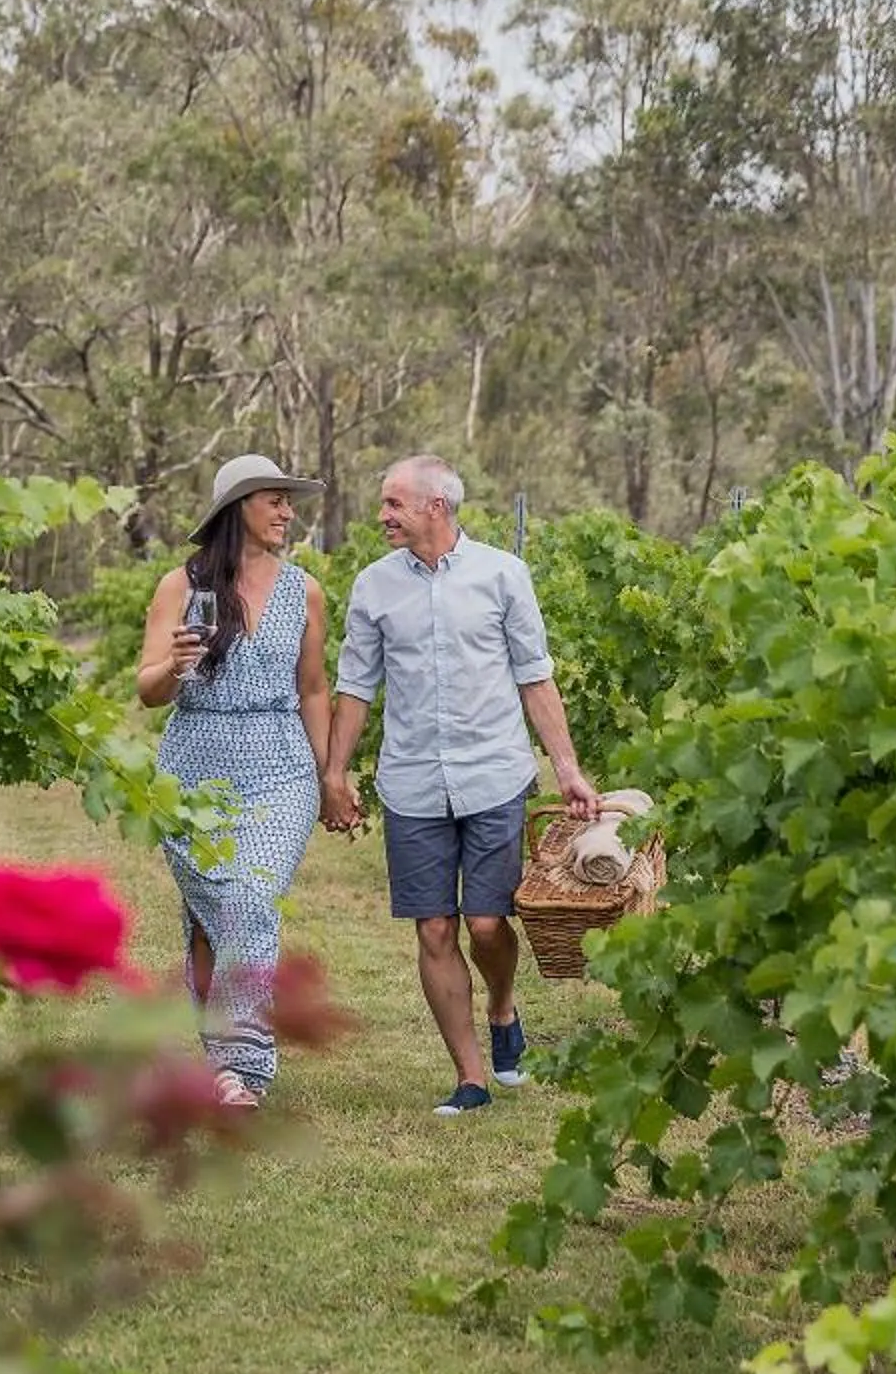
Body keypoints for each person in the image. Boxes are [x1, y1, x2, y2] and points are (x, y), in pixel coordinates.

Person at [322, 455, 598, 1116]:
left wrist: (566, 767)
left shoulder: (504, 574)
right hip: (412, 780)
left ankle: (503, 1009)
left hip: (494, 773)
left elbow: (535, 675)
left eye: (394, 503)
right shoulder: (373, 586)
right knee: (435, 930)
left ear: (436, 506)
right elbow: (357, 685)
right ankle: (471, 1076)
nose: (382, 515)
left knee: (483, 922)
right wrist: (334, 771)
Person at [137, 453, 331, 1112]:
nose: (287, 511)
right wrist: (174, 664)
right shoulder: (180, 585)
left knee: (249, 898)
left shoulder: (304, 590)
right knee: (211, 918)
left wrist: (330, 773)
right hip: (194, 770)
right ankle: (217, 1050)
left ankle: (239, 1067)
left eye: (288, 500)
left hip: (280, 767)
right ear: (236, 508)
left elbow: (311, 688)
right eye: (274, 499)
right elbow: (149, 691)